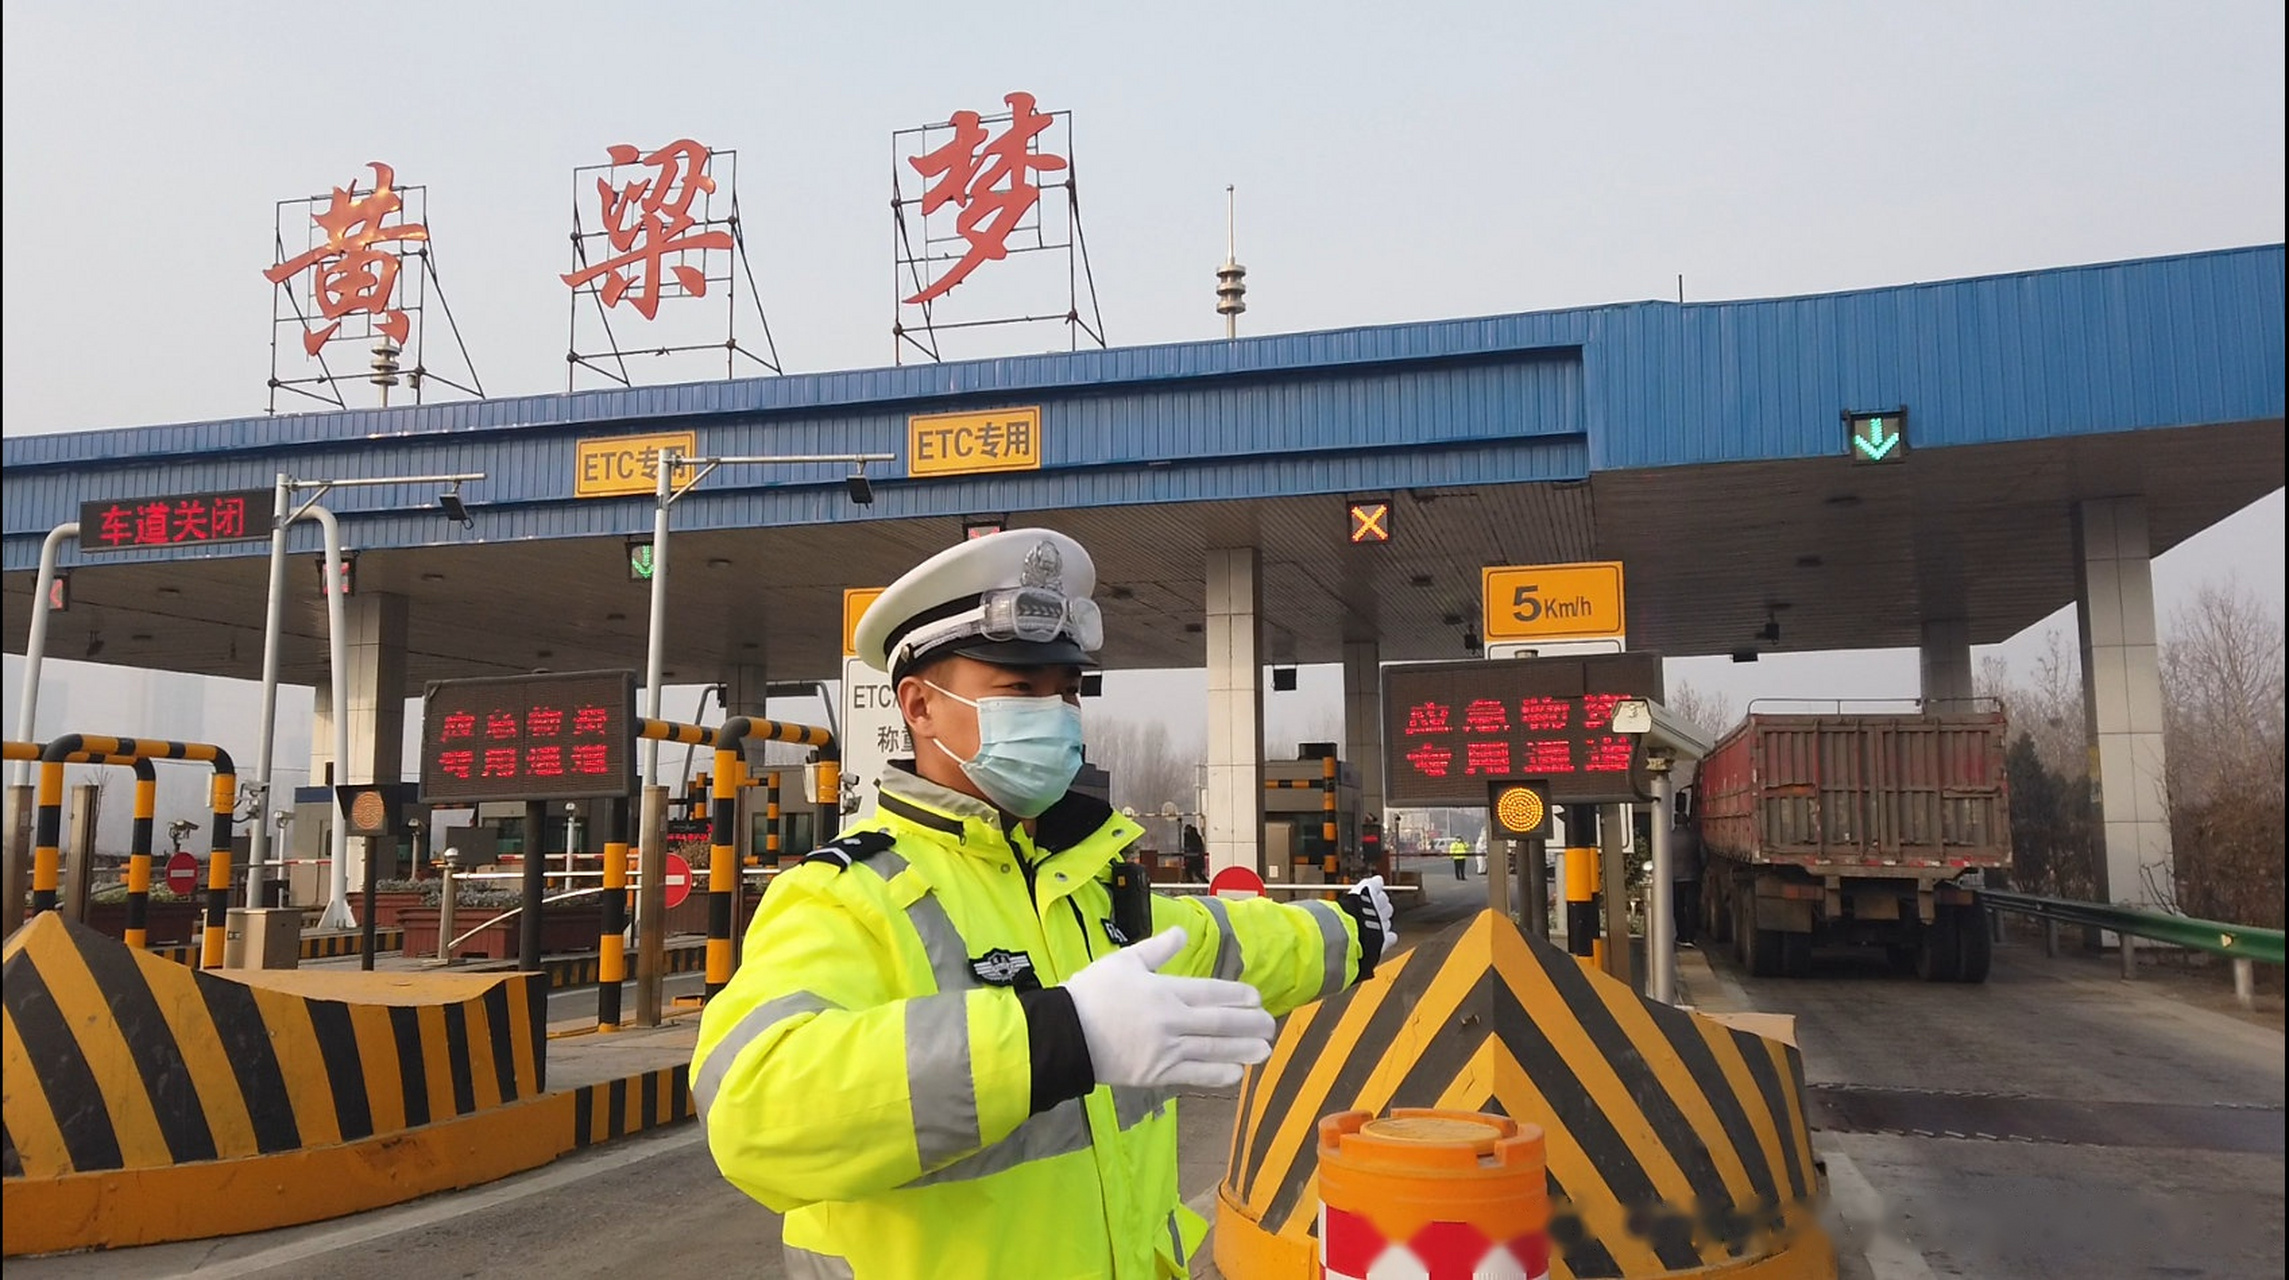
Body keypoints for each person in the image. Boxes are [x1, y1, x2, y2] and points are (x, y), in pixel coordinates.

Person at [693, 529, 1396, 1280]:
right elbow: (756, 1108)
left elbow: (1228, 942)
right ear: (920, 706)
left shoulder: (1084, 882)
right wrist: (1056, 1037)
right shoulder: (844, 894)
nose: (1056, 713)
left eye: (1066, 690)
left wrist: (1350, 929)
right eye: (1018, 689)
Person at [1672, 799, 1704, 947]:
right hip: (1692, 877)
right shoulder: (1694, 837)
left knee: (1678, 909)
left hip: (1674, 879)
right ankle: (1691, 937)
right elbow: (1704, 856)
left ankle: (1681, 935)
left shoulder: (1668, 838)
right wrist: (1700, 870)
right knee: (1692, 908)